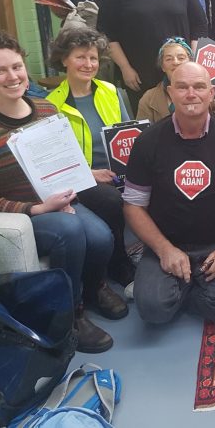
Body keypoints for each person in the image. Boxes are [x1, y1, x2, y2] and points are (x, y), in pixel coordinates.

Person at [0, 31, 118, 353]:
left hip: (59, 200)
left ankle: (95, 287)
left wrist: (72, 193)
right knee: (69, 231)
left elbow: (65, 162)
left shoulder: (45, 109)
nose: (12, 76)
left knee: (101, 237)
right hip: (20, 214)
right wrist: (38, 210)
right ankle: (70, 317)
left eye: (16, 67)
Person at [123, 61, 215, 325]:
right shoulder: (147, 142)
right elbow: (133, 205)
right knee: (152, 311)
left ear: (211, 94)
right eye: (182, 87)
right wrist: (164, 250)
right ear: (170, 93)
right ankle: (177, 285)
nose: (191, 94)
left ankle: (183, 287)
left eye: (199, 87)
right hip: (166, 244)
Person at [45, 26, 134, 287]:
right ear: (64, 60)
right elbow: (55, 160)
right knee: (110, 199)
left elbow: (128, 134)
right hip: (80, 178)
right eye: (80, 57)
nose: (88, 64)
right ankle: (119, 261)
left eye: (93, 58)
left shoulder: (111, 91)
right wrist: (89, 173)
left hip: (119, 170)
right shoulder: (51, 105)